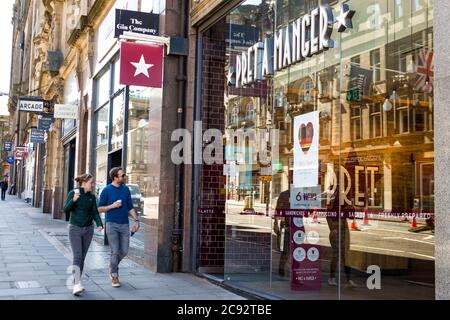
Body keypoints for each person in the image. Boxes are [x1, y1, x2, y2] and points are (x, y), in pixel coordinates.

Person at [98, 167, 140, 288]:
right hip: (111, 224)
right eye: (122, 175)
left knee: (124, 251)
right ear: (115, 177)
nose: (124, 177)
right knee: (115, 251)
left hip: (124, 224)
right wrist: (112, 206)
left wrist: (136, 220)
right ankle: (114, 275)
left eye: (124, 175)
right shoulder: (106, 190)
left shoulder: (126, 189)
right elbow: (99, 208)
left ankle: (112, 266)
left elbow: (130, 207)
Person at [63, 173, 104, 296]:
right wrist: (73, 200)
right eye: (91, 182)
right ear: (84, 182)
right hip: (74, 228)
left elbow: (95, 212)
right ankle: (76, 284)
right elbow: (66, 210)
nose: (93, 184)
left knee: (82, 257)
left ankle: (78, 281)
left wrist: (99, 224)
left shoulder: (91, 197)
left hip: (88, 229)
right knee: (77, 255)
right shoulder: (74, 193)